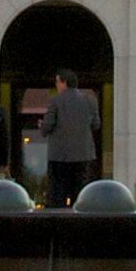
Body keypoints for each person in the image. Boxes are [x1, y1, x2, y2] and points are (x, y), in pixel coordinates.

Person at [42, 68, 101, 206]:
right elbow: (96, 125)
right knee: (81, 196)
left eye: (57, 82)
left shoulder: (55, 101)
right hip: (84, 155)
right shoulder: (90, 100)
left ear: (64, 82)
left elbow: (48, 126)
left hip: (59, 156)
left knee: (58, 197)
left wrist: (42, 127)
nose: (56, 85)